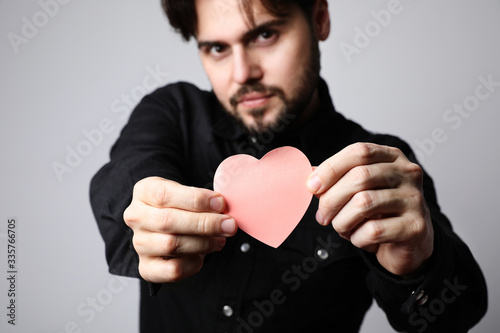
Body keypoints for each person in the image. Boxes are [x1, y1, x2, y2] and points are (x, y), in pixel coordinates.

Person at [89, 0, 487, 332]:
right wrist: (144, 207)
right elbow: (128, 173)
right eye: (217, 49)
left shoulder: (382, 166)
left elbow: (458, 313)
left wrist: (417, 262)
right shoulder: (173, 112)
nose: (243, 73)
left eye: (264, 34)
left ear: (319, 18)